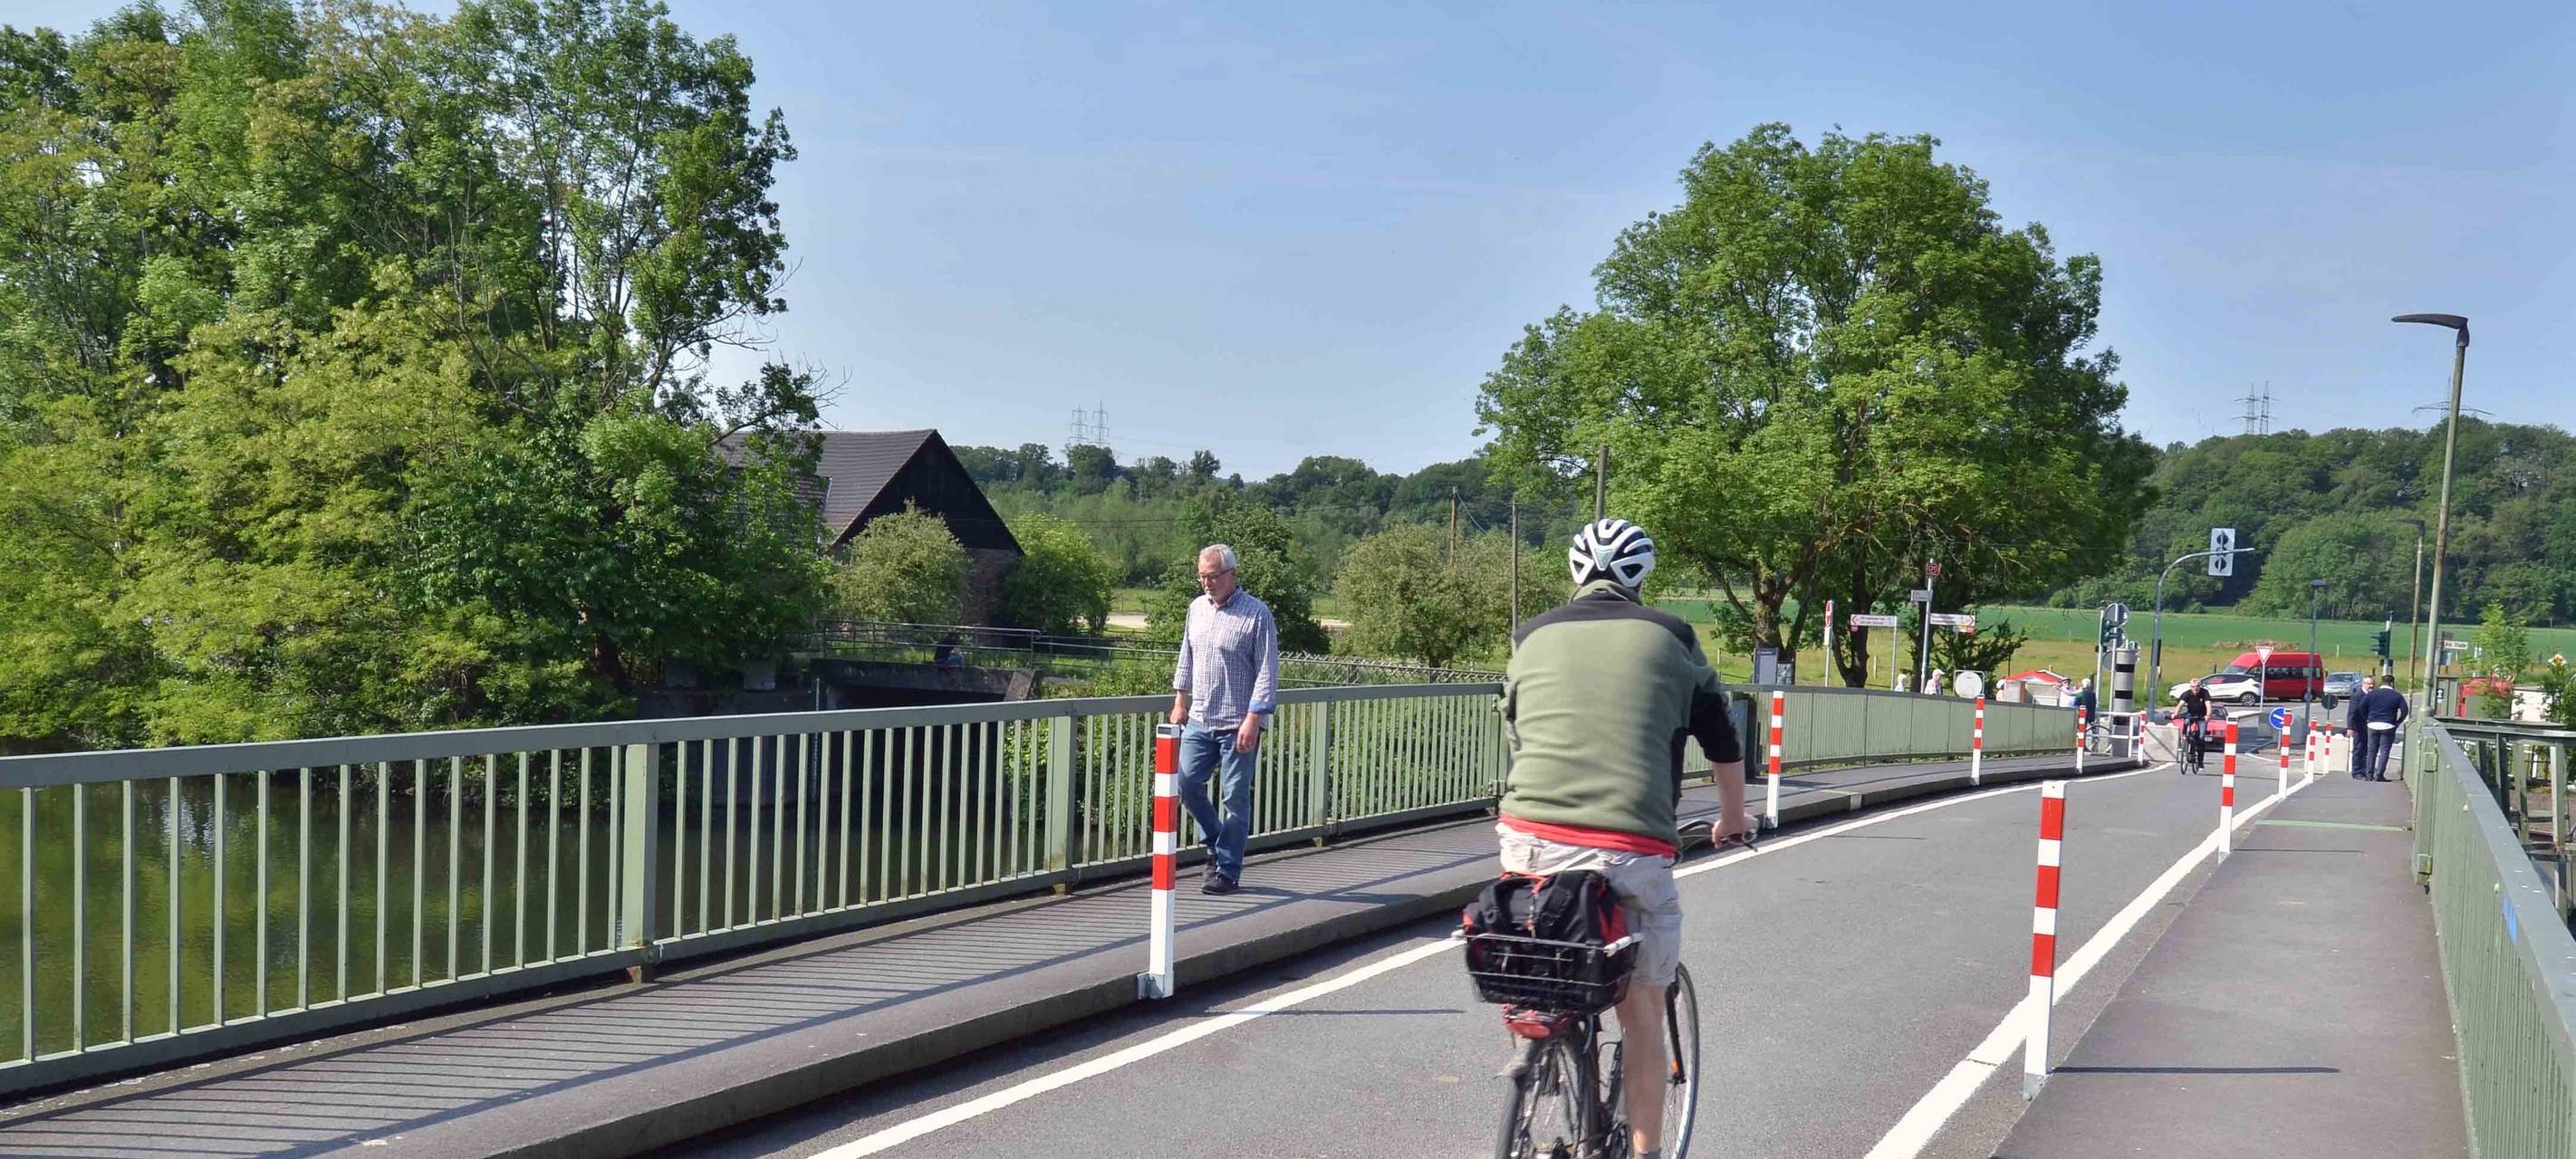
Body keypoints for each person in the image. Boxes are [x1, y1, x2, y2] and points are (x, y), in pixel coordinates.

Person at [1495, 517, 1747, 1159]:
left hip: (1528, 839)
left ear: (1576, 572)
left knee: (1537, 967)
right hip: (1629, 847)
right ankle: (1644, 1152)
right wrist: (1732, 819)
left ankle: (1542, 1064)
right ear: (1641, 576)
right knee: (1641, 1011)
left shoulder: (1529, 636)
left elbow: (1518, 733)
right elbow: (1722, 742)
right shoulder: (1673, 637)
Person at [1168, 544, 1280, 896]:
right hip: (1200, 717)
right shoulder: (1196, 609)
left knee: (1234, 797)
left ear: (1232, 574)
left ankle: (1227, 871)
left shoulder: (1256, 614)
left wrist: (1254, 718)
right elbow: (1186, 656)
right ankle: (1217, 842)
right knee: (1185, 783)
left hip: (1238, 722)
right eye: (1202, 576)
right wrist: (1180, 700)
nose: (1207, 582)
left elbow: (1267, 670)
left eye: (1213, 576)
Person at [2360, 676, 2411, 781]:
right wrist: (2398, 722)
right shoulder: (2397, 696)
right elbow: (2405, 711)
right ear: (2392, 683)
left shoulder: (2372, 694)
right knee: (2384, 751)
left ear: (2381, 682)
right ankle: (2379, 775)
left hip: (2372, 724)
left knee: (2371, 750)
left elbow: (2362, 707)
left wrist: (2367, 718)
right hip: (2388, 725)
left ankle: (2369, 775)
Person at [2175, 681, 2214, 761]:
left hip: (2202, 716)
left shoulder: (2205, 693)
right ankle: (2186, 737)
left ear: (2200, 686)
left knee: (2201, 737)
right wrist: (2175, 714)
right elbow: (2180, 704)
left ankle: (2200, 761)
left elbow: (2208, 705)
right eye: (2193, 686)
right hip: (2191, 714)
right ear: (2190, 687)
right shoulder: (2187, 694)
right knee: (2186, 722)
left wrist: (2208, 716)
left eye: (2197, 686)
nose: (2195, 688)